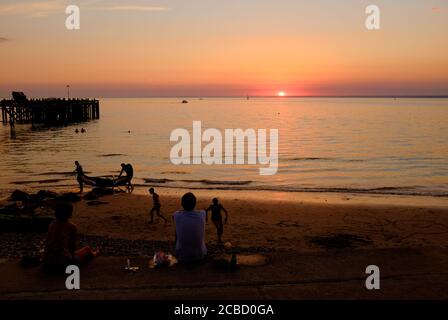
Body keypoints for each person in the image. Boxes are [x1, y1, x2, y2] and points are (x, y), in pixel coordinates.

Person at [44, 202, 99, 273]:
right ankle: (95, 253)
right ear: (69, 214)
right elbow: (72, 247)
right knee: (87, 249)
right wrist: (72, 255)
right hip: (63, 264)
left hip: (47, 262)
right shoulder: (72, 227)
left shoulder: (52, 224)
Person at [172, 193, 207, 262]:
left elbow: (176, 213)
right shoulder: (202, 214)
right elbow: (203, 210)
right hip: (200, 255)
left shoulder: (176, 215)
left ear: (182, 204)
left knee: (177, 231)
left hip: (181, 256)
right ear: (195, 204)